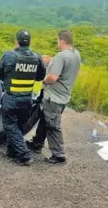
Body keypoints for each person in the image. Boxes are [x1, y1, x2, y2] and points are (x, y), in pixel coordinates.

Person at [27, 30, 81, 164]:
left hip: (54, 97)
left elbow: (53, 77)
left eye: (57, 41)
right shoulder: (76, 55)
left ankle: (59, 154)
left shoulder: (61, 56)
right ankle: (37, 143)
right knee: (46, 119)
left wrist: (44, 81)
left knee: (52, 124)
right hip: (64, 95)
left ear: (61, 41)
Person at [0, 30, 46, 165]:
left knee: (10, 126)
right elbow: (41, 77)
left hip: (11, 98)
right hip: (27, 100)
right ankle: (12, 151)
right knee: (18, 126)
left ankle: (24, 155)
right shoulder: (37, 57)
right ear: (29, 42)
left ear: (17, 42)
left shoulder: (9, 55)